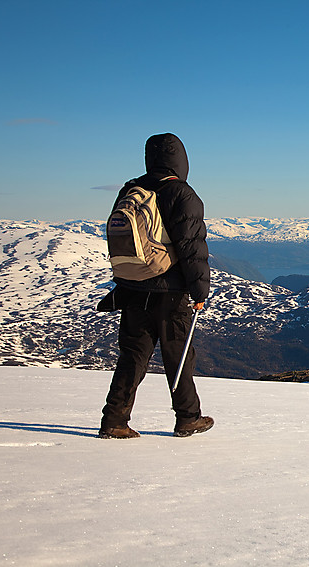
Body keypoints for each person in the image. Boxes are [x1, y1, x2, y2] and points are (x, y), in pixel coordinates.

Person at [98, 133, 213, 439]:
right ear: (181, 159)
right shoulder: (181, 193)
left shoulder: (130, 190)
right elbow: (191, 246)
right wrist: (200, 290)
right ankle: (188, 418)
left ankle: (114, 420)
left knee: (133, 356)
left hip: (133, 287)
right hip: (170, 290)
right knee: (179, 356)